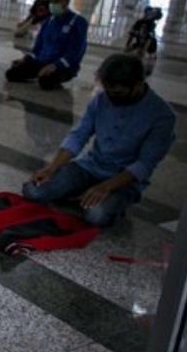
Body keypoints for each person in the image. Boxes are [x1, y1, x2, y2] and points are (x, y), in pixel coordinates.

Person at [23, 54, 175, 227]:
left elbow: (145, 164)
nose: (111, 98)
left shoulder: (162, 115)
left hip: (123, 181)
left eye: (118, 93)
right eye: (108, 91)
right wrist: (52, 167)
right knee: (34, 190)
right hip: (90, 167)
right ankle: (82, 193)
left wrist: (106, 187)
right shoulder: (102, 100)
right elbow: (78, 135)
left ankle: (101, 200)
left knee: (97, 215)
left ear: (139, 84)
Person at [5, 0, 87, 90]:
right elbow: (38, 47)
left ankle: (43, 75)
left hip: (63, 66)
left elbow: (76, 51)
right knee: (12, 73)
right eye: (52, 1)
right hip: (42, 62)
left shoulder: (78, 22)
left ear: (66, 2)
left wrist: (55, 66)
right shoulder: (49, 22)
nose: (53, 4)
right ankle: (38, 73)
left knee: (46, 82)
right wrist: (25, 59)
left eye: (57, 1)